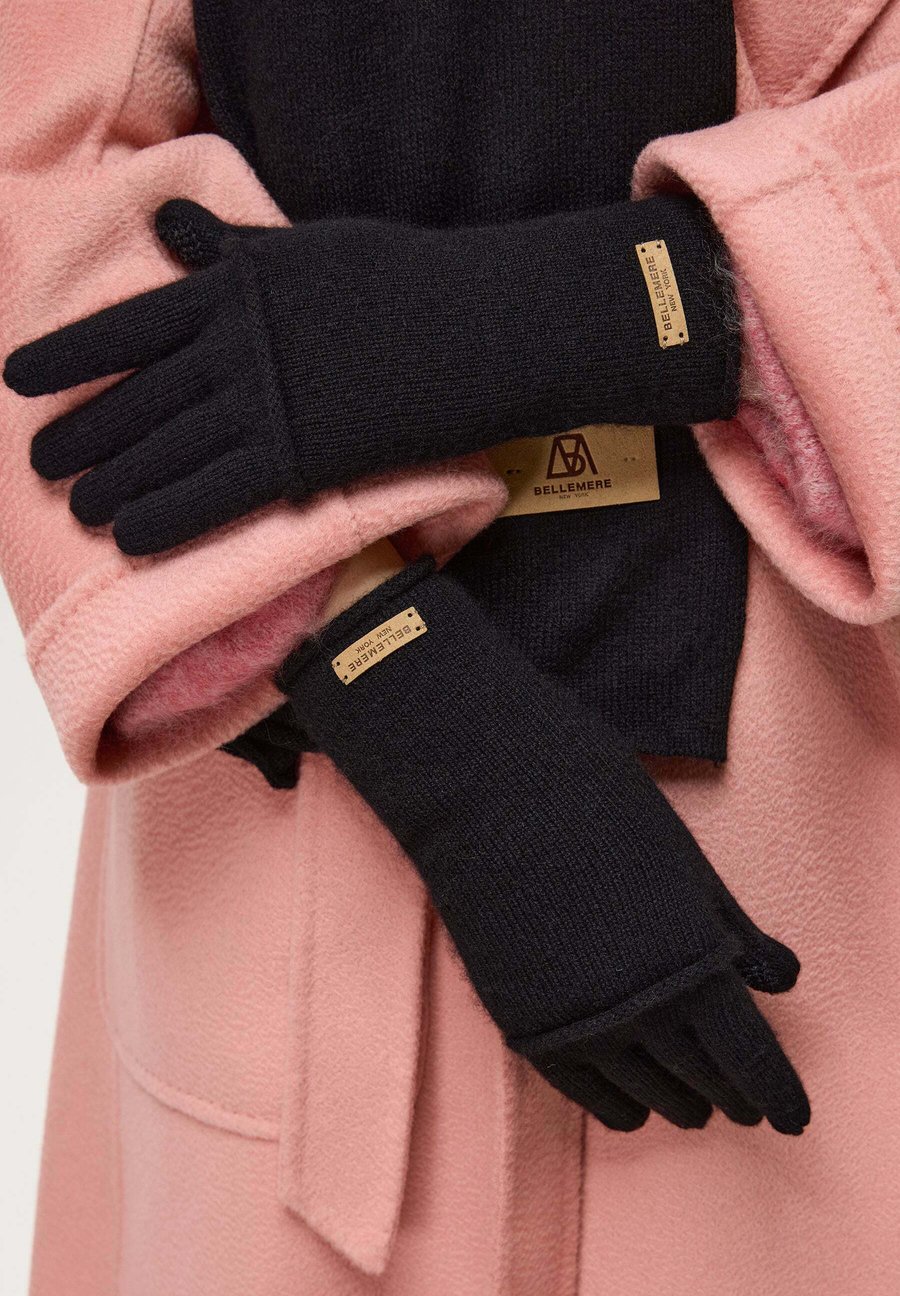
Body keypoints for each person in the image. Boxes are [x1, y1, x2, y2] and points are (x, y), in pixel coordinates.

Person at [2, 2, 899, 1292]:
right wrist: (430, 724)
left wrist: (580, 311)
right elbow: (34, 182)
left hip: (819, 789)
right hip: (298, 778)